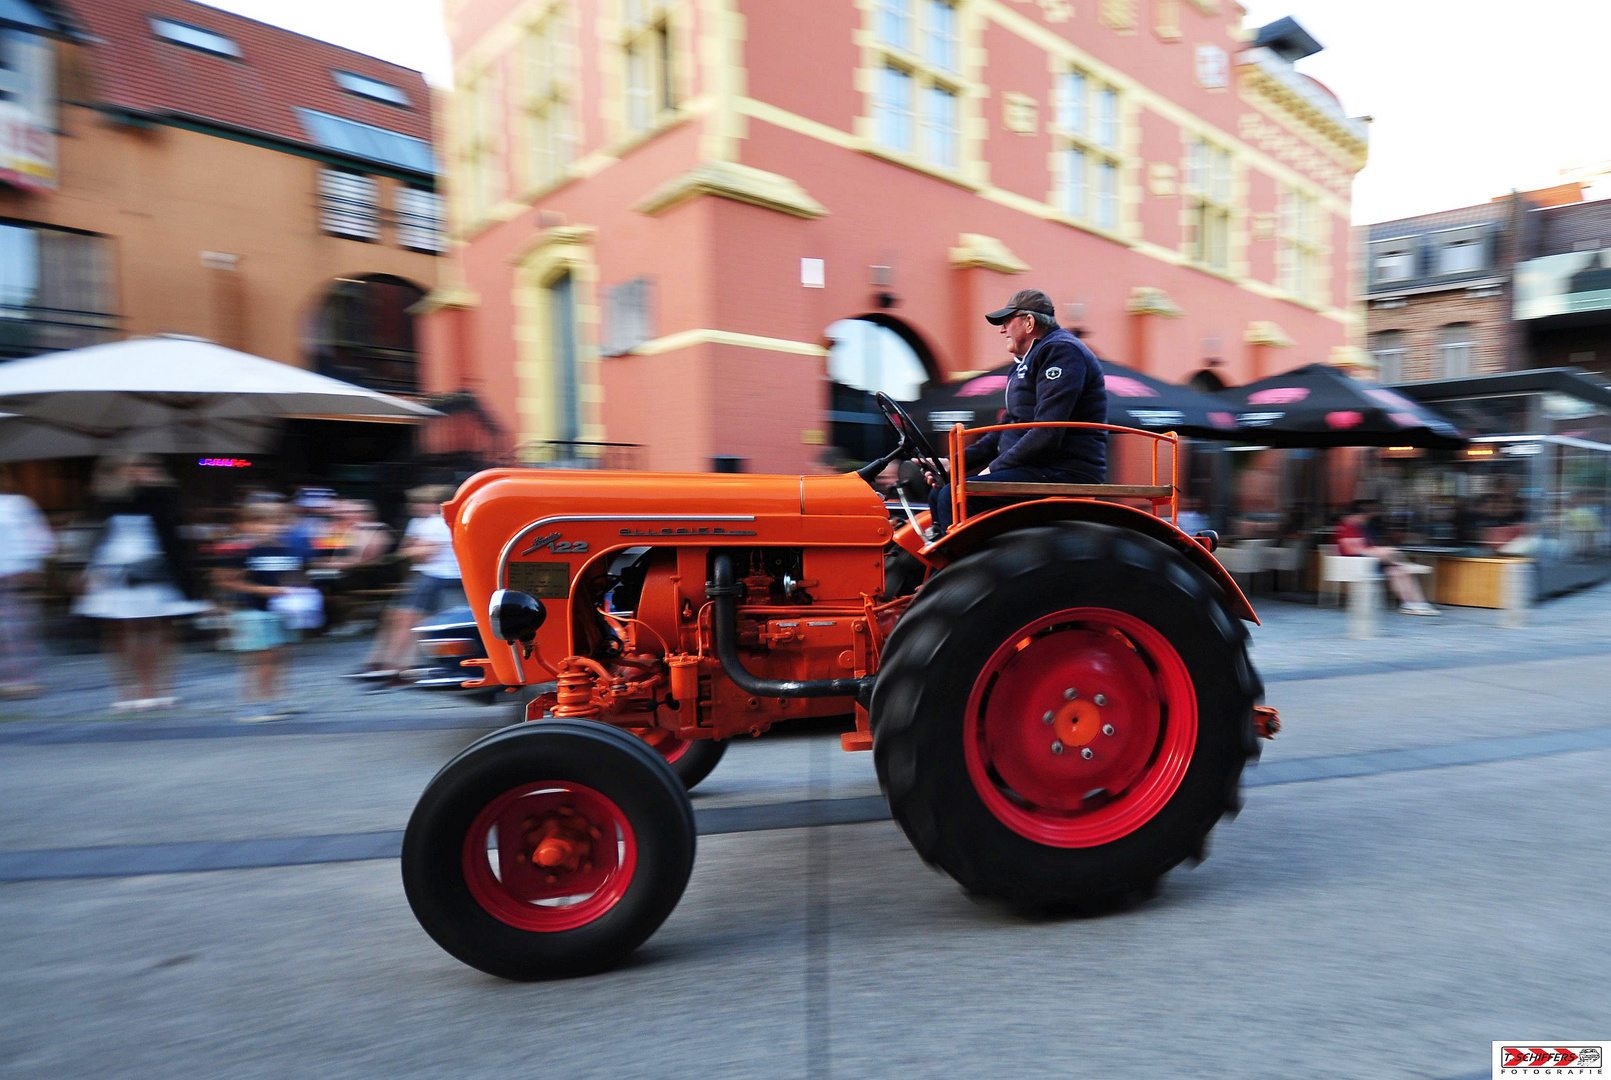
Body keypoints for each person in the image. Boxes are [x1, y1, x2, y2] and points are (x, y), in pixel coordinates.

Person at [927, 288, 1107, 535]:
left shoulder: (1062, 352)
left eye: (1007, 321)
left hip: (1062, 470)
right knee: (939, 491)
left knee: (954, 497)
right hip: (1038, 466)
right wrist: (954, 463)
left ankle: (964, 568)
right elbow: (1009, 427)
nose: (1002, 329)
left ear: (1029, 322)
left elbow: (1047, 432)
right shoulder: (1025, 363)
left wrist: (994, 468)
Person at [74, 456, 209, 712]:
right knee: (119, 630)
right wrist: (88, 569)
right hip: (114, 568)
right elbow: (94, 534)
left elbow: (179, 535)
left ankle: (158, 689)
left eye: (146, 466)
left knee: (160, 628)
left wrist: (157, 489)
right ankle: (127, 690)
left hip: (159, 568)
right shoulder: (104, 496)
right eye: (132, 466)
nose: (137, 471)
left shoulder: (165, 496)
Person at [352, 485, 464, 683]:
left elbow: (422, 555)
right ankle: (389, 663)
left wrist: (407, 552)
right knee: (399, 617)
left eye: (421, 502)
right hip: (428, 575)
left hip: (437, 576)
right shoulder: (423, 523)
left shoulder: (436, 522)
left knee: (406, 619)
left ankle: (395, 666)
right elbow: (413, 550)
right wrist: (412, 550)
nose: (415, 506)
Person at [218, 501, 316, 722]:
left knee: (280, 655)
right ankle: (252, 704)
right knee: (261, 658)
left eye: (280, 522)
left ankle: (275, 699)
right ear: (247, 524)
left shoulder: (285, 549)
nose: (273, 527)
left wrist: (302, 590)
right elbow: (227, 581)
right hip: (252, 611)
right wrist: (267, 590)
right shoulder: (243, 550)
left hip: (282, 610)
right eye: (264, 522)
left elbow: (292, 575)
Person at [0, 470, 56, 699]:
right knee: (13, 628)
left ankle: (21, 678)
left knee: (18, 629)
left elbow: (40, 540)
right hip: (15, 573)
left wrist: (31, 567)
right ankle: (13, 678)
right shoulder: (18, 505)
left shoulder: (18, 504)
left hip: (16, 574)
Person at [1335, 501, 1438, 616]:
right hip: (1354, 565)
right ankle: (1405, 565)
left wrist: (1375, 551)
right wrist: (1375, 551)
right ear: (1354, 516)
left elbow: (1365, 547)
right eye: (1361, 516)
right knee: (1389, 553)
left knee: (1398, 572)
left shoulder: (1359, 529)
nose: (1363, 519)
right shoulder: (1344, 528)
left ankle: (1416, 603)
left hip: (1368, 562)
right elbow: (1351, 550)